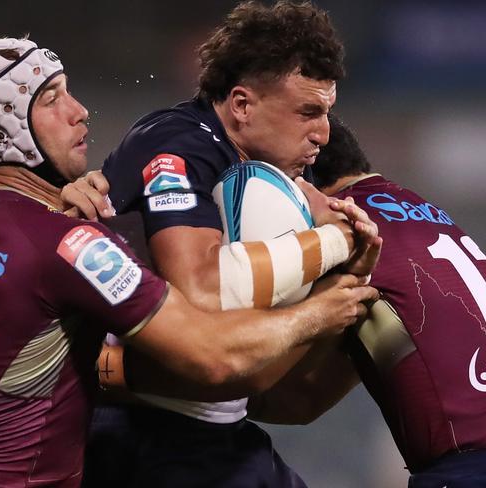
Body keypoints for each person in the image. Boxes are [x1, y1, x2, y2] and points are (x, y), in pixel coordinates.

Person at [0, 37, 379, 487]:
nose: (79, 111)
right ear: (6, 130)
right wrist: (320, 309)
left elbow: (27, 280)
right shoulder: (73, 245)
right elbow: (212, 358)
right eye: (51, 100)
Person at [65, 1, 381, 487]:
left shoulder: (281, 164)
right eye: (307, 111)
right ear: (241, 105)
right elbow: (203, 290)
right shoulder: (176, 145)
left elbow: (281, 397)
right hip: (140, 432)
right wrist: (337, 243)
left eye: (326, 112)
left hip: (213, 423)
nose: (322, 132)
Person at [247, 114, 486, 488]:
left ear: (297, 178)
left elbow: (294, 398)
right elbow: (308, 398)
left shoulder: (343, 228)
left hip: (481, 470)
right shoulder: (420, 210)